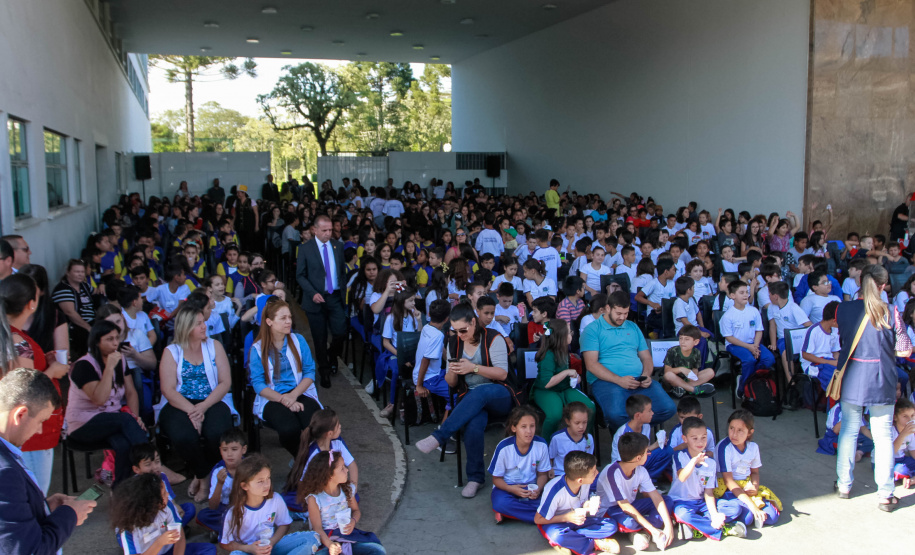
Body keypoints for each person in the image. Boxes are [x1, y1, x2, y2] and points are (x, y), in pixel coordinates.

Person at [415, 302, 516, 499]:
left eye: (463, 330)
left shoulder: (494, 338)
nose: (459, 335)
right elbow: (452, 383)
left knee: (479, 394)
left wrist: (473, 368)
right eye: (455, 331)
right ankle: (475, 478)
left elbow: (502, 374)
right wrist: (452, 372)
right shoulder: (454, 343)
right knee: (473, 423)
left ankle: (440, 436)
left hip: (500, 394)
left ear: (473, 322)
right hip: (471, 399)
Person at [834, 264, 912, 510]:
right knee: (883, 436)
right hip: (881, 378)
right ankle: (885, 495)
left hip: (852, 376)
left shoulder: (842, 309)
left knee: (849, 431)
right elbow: (905, 349)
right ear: (882, 286)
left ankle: (844, 485)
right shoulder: (891, 311)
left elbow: (843, 341)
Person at [156, 305, 236, 502]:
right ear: (186, 327)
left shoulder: (214, 346)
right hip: (180, 403)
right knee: (184, 436)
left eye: (203, 322)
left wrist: (203, 407)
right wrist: (192, 411)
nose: (204, 326)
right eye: (198, 323)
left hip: (212, 399)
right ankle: (204, 476)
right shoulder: (171, 351)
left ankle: (201, 476)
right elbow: (168, 389)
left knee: (215, 434)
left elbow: (225, 382)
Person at [0, 274, 68, 493]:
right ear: (31, 303)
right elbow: (23, 394)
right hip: (29, 431)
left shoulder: (10, 337)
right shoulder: (18, 342)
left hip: (17, 429)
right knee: (34, 495)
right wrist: (52, 371)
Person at [65, 319, 148, 486]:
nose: (115, 343)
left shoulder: (121, 360)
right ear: (97, 341)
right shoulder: (84, 365)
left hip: (110, 420)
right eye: (109, 339)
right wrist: (109, 368)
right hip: (82, 425)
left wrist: (135, 417)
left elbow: (131, 391)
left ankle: (120, 492)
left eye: (117, 338)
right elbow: (99, 399)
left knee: (123, 444)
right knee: (125, 421)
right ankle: (150, 464)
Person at [581, 291, 676, 430]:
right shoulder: (592, 329)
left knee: (668, 408)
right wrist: (619, 380)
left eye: (625, 313)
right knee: (616, 415)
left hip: (638, 379)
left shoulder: (632, 326)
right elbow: (591, 365)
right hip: (608, 382)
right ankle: (632, 434)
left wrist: (647, 375)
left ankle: (633, 430)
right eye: (618, 313)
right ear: (608, 308)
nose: (622, 317)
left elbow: (646, 357)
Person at [250, 298, 322, 456]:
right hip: (273, 397)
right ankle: (302, 462)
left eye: (289, 317)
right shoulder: (257, 349)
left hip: (300, 392)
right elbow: (258, 384)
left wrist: (293, 395)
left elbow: (309, 371)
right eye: (283, 318)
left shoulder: (299, 340)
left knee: (316, 426)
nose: (288, 321)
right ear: (269, 321)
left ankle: (307, 463)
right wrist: (284, 400)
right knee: (289, 429)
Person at [220, 454, 321, 555]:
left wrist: (271, 543)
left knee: (312, 537)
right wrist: (249, 549)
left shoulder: (275, 499)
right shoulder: (233, 511)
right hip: (248, 551)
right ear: (245, 486)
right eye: (260, 481)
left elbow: (284, 524)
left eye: (268, 478)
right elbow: (225, 543)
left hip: (272, 547)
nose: (266, 484)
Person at [670, 417, 747, 542]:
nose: (700, 442)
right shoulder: (679, 456)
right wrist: (694, 461)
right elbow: (682, 477)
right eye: (694, 438)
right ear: (685, 439)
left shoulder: (710, 462)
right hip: (681, 502)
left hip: (701, 503)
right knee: (683, 514)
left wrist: (714, 514)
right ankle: (722, 529)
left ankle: (696, 527)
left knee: (735, 508)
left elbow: (708, 492)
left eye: (704, 437)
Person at [595, 432, 673, 551]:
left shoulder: (641, 471)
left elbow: (656, 498)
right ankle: (646, 530)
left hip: (631, 506)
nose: (649, 453)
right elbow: (624, 506)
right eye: (647, 452)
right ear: (638, 458)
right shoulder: (611, 473)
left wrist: (669, 526)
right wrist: (654, 530)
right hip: (611, 510)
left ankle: (641, 532)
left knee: (667, 500)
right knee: (629, 523)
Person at [301, 451, 386, 555]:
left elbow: (356, 511)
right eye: (342, 468)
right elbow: (317, 529)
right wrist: (331, 545)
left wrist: (353, 521)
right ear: (329, 475)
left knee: (377, 551)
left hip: (348, 536)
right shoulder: (315, 499)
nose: (347, 470)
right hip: (325, 540)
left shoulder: (347, 489)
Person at [535, 450, 620, 555]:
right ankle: (594, 543)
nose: (597, 473)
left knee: (611, 525)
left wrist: (587, 505)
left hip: (577, 521)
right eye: (593, 472)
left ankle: (572, 539)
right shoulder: (554, 491)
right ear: (580, 480)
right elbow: (538, 519)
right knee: (558, 536)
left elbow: (581, 502)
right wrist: (566, 517)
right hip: (556, 522)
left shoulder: (586, 482)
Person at [296, 215, 347, 389]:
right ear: (315, 230)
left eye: (330, 230)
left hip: (334, 296)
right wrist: (312, 293)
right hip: (315, 299)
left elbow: (341, 272)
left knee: (340, 332)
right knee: (319, 337)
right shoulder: (305, 249)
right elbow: (300, 275)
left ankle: (333, 356)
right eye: (324, 230)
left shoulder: (338, 246)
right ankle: (324, 370)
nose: (328, 233)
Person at [112, 473, 215, 555]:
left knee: (208, 549)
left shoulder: (167, 506)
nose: (168, 495)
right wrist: (159, 542)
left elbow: (180, 537)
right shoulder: (128, 528)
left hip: (169, 550)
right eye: (164, 494)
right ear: (151, 502)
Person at [715, 410, 781, 529]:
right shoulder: (724, 448)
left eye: (740, 430)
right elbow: (729, 481)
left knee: (772, 517)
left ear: (750, 433)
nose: (734, 434)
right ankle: (732, 515)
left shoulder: (753, 448)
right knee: (748, 517)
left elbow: (755, 472)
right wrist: (753, 506)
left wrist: (755, 486)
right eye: (731, 428)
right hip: (728, 489)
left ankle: (749, 511)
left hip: (745, 486)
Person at [531, 319, 595, 439]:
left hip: (564, 388)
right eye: (569, 332)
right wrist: (566, 372)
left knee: (589, 407)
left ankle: (585, 440)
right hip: (546, 391)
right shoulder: (548, 355)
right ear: (561, 336)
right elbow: (547, 383)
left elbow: (570, 373)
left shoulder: (564, 350)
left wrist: (576, 377)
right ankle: (546, 444)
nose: (571, 333)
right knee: (555, 414)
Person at [488, 406, 551, 523]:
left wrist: (538, 489)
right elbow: (496, 479)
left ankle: (510, 514)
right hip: (506, 488)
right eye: (523, 427)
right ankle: (542, 517)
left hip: (530, 488)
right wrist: (511, 489)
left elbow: (543, 475)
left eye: (532, 426)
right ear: (514, 428)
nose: (529, 431)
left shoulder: (541, 445)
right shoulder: (504, 448)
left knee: (549, 500)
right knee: (501, 502)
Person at [720, 280, 775, 394]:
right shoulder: (728, 315)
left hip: (754, 343)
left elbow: (759, 330)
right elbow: (729, 337)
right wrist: (749, 347)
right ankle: (743, 388)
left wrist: (755, 345)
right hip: (735, 345)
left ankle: (753, 380)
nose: (746, 295)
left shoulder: (753, 311)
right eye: (741, 292)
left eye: (746, 292)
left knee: (769, 359)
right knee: (749, 360)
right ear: (732, 295)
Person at [196, 428, 247, 535]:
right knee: (203, 516)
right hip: (225, 509)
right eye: (225, 450)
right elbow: (213, 506)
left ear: (243, 450)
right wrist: (219, 483)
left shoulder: (250, 466)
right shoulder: (218, 471)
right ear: (220, 451)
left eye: (234, 449)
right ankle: (237, 530)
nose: (229, 454)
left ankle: (227, 530)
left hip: (246, 507)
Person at [609, 395, 672, 480]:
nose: (652, 413)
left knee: (667, 450)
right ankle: (638, 481)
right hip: (624, 467)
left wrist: (659, 443)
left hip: (640, 460)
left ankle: (649, 479)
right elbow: (626, 461)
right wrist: (654, 446)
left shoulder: (646, 426)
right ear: (638, 415)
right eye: (649, 411)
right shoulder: (623, 433)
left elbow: (644, 450)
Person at [52, 259, 95, 357]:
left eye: (82, 272)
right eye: (77, 271)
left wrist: (101, 286)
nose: (80, 274)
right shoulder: (63, 289)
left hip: (92, 323)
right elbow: (70, 313)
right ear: (68, 272)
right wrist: (89, 328)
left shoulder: (85, 286)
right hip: (75, 327)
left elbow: (97, 292)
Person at [663, 325, 716, 397]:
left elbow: (695, 368)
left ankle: (683, 388)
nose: (682, 342)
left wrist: (693, 376)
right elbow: (667, 371)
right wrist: (681, 369)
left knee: (710, 372)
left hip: (687, 380)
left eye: (687, 339)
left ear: (696, 342)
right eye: (681, 338)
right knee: (668, 375)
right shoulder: (672, 351)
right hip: (674, 380)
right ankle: (694, 390)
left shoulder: (696, 352)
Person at [800, 301, 841, 386]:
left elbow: (835, 352)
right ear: (834, 321)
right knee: (834, 378)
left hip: (829, 362)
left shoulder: (835, 330)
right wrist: (828, 362)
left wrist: (839, 362)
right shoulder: (813, 331)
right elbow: (806, 355)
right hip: (812, 365)